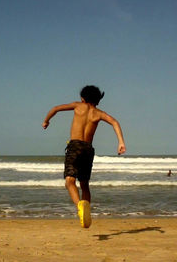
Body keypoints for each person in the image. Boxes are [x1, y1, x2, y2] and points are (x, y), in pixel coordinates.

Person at [42, 85, 126, 228]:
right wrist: (121, 142)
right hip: (88, 149)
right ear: (98, 100)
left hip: (75, 147)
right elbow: (114, 122)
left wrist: (46, 120)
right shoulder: (99, 113)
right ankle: (86, 208)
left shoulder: (77, 106)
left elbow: (55, 108)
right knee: (84, 184)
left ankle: (80, 207)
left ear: (82, 98)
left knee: (69, 181)